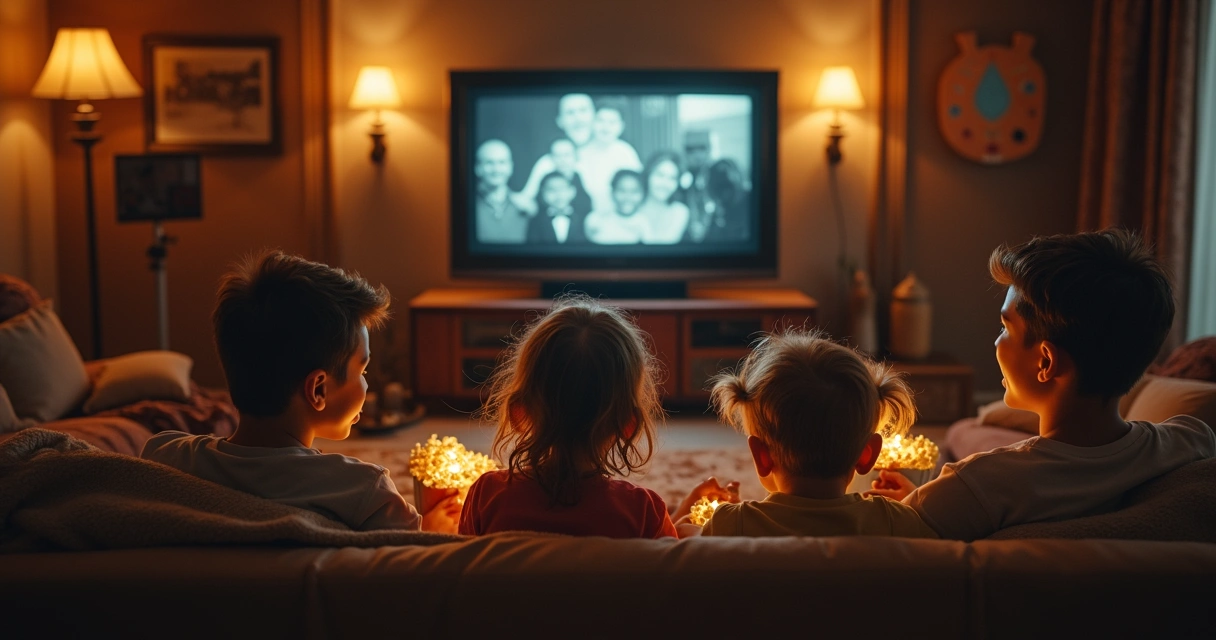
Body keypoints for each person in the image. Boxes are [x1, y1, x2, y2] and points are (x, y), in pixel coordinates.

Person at [869, 229, 1216, 541]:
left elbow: (895, 543)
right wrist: (918, 504)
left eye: (1005, 327)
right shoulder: (1191, 441)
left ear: (1046, 362)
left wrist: (927, 504)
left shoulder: (977, 484)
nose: (996, 342)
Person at [141, 251, 462, 533]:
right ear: (318, 389)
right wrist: (433, 528)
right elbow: (414, 561)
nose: (366, 384)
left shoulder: (165, 458)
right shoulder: (365, 493)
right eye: (362, 371)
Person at [458, 295, 737, 538]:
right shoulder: (641, 512)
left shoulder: (487, 496)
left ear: (519, 413)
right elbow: (662, 564)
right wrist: (685, 523)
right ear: (629, 425)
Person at [687, 329, 936, 538]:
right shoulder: (897, 522)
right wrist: (913, 503)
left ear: (762, 457)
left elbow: (681, 553)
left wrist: (683, 517)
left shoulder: (729, 525)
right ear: (867, 455)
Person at [514, 93, 597, 214]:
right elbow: (526, 199)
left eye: (583, 110)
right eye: (570, 113)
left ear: (594, 115)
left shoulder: (620, 151)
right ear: (560, 121)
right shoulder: (546, 163)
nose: (578, 119)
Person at [578, 106, 643, 213]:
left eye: (612, 122)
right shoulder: (580, 154)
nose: (605, 127)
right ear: (592, 123)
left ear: (621, 126)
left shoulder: (627, 153)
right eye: (600, 121)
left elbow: (637, 190)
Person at [474, 139, 527, 244]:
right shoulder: (466, 205)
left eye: (502, 162)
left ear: (511, 167)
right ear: (478, 168)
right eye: (489, 163)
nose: (496, 169)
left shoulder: (525, 207)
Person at [636, 151, 691, 245]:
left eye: (672, 178)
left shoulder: (680, 212)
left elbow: (660, 251)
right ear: (648, 175)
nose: (665, 184)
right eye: (660, 175)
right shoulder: (632, 208)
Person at [584, 169, 650, 244]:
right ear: (612, 193)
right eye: (622, 190)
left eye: (634, 191)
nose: (627, 197)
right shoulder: (596, 219)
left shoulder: (644, 223)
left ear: (644, 194)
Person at [526, 172, 588, 245]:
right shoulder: (535, 221)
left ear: (572, 191)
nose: (558, 194)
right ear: (543, 194)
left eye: (562, 188)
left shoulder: (584, 218)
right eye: (551, 189)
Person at [679, 129, 715, 243]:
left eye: (702, 149)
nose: (697, 155)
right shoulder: (679, 177)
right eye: (691, 150)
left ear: (709, 150)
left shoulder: (716, 175)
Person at [701, 158, 750, 243]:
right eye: (718, 188)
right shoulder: (716, 214)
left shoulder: (753, 209)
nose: (724, 195)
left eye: (727, 186)